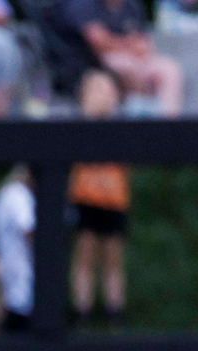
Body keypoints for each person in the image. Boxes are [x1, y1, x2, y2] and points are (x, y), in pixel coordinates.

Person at [69, 71, 129, 325]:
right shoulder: (79, 124)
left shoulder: (121, 126)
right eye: (96, 89)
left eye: (106, 89)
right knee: (85, 252)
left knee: (113, 255)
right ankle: (82, 309)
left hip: (114, 198)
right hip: (85, 196)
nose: (102, 94)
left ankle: (114, 310)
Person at [51, 0, 182, 115]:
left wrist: (125, 46)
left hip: (133, 63)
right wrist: (128, 44)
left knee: (169, 69)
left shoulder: (132, 5)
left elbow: (144, 44)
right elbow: (98, 41)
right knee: (115, 71)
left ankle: (169, 125)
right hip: (91, 70)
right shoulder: (83, 4)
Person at [0, 165, 35, 332]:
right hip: (19, 295)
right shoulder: (18, 195)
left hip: (8, 289)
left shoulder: (6, 194)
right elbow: (30, 231)